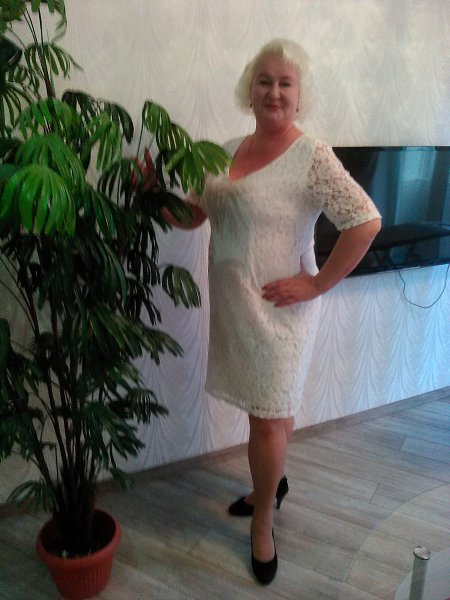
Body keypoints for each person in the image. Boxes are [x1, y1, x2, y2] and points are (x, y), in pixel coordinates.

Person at [158, 38, 381, 585]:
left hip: (282, 312)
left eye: (285, 83)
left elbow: (365, 221)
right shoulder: (226, 150)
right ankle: (272, 485)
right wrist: (151, 194)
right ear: (250, 90)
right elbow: (193, 216)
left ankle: (262, 522)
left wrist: (318, 283)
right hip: (237, 305)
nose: (274, 92)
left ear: (299, 95)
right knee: (272, 416)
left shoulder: (312, 155)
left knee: (267, 416)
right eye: (264, 81)